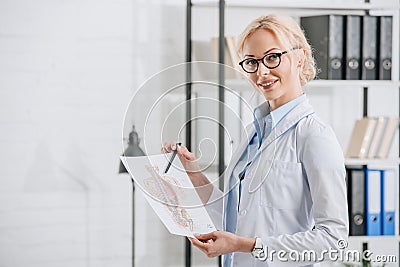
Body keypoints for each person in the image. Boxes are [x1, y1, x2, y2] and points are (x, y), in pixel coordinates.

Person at [162, 14, 348, 266]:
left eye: (272, 57)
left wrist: (245, 245)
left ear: (299, 56)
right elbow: (232, 218)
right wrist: (194, 175)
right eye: (251, 61)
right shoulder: (252, 133)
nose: (262, 72)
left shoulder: (314, 136)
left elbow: (333, 241)